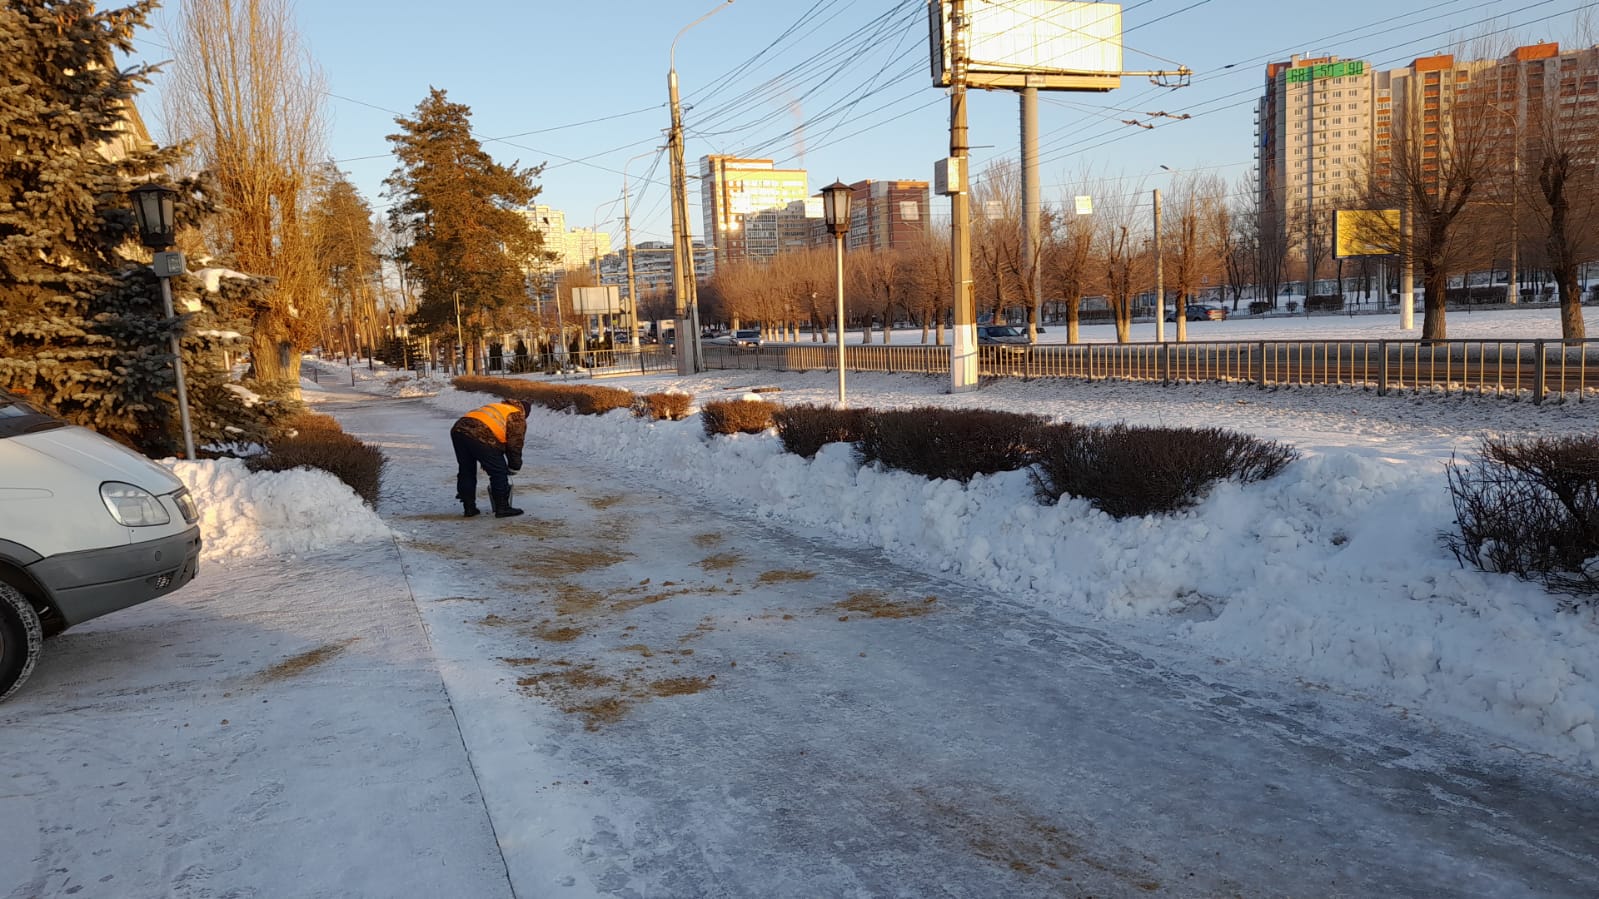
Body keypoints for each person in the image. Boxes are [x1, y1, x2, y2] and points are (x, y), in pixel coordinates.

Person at [450, 398, 529, 518]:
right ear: (525, 412)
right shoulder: (517, 415)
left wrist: (485, 458)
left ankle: (469, 507)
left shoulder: (498, 407)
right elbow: (515, 445)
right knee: (499, 472)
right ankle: (502, 507)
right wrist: (514, 466)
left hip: (459, 429)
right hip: (481, 434)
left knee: (466, 469)